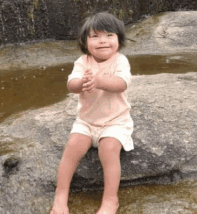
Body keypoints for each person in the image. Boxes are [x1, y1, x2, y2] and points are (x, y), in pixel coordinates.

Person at [50, 11, 134, 214]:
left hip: (115, 122)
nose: (102, 41)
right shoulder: (83, 62)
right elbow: (71, 84)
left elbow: (121, 83)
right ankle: (60, 198)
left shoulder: (120, 61)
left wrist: (98, 80)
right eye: (95, 36)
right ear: (85, 41)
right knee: (71, 149)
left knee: (109, 150)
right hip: (86, 121)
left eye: (109, 35)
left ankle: (110, 200)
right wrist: (82, 83)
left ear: (119, 40)